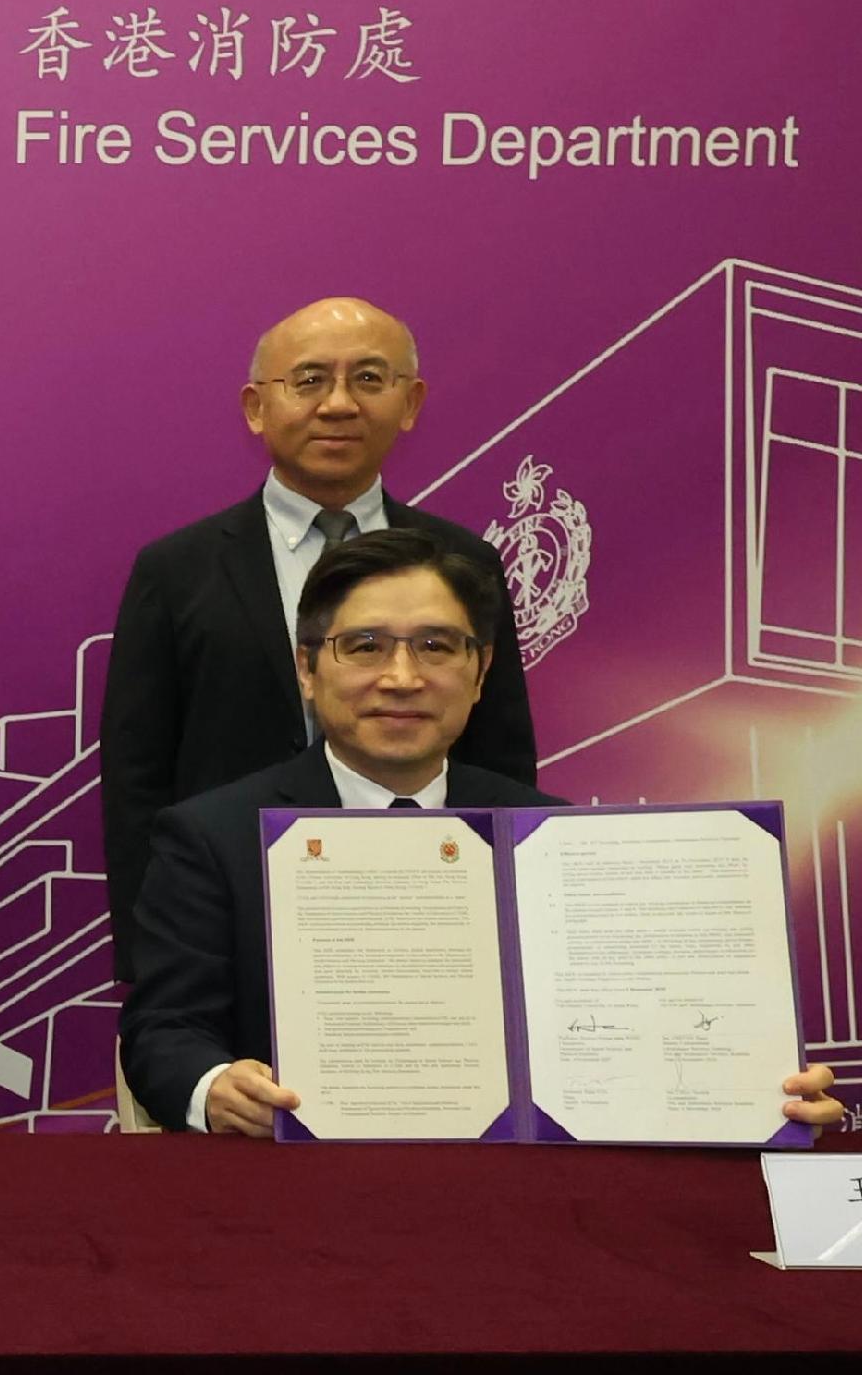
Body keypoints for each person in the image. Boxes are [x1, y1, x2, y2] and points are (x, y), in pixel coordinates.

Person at [117, 526, 838, 1136]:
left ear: (481, 669)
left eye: (436, 646)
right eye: (365, 646)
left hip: (527, 1197)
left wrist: (757, 1088)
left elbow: (653, 1026)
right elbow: (164, 1031)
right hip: (299, 1191)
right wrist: (215, 1086)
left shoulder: (557, 837)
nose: (402, 677)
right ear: (308, 669)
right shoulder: (213, 835)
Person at [101, 297, 541, 972]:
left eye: (368, 379)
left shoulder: (463, 561)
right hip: (234, 921)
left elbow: (501, 754)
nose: (339, 404)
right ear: (256, 407)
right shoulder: (177, 569)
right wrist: (152, 960)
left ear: (411, 403)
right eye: (309, 380)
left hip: (434, 920)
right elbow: (137, 779)